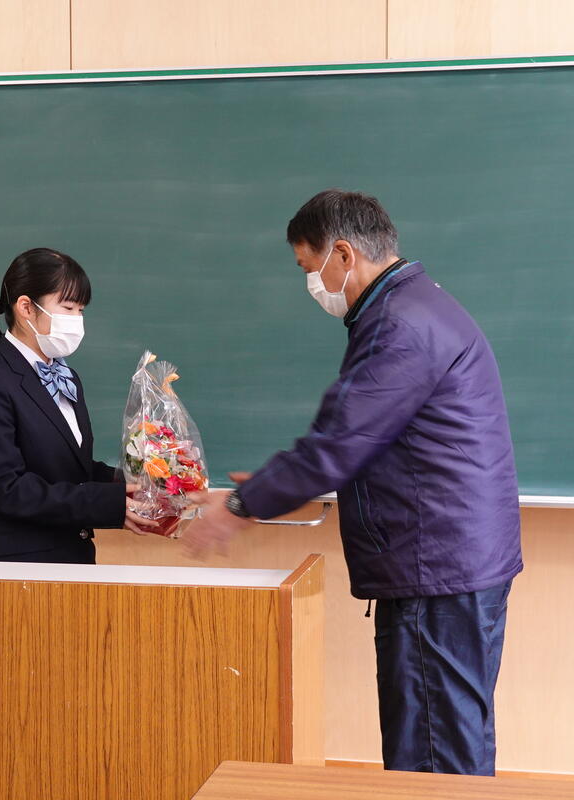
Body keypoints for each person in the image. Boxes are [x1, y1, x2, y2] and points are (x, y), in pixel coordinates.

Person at [185, 190, 523, 776]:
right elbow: (360, 440)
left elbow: (340, 443)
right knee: (451, 739)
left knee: (432, 755)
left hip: (434, 568)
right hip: (451, 560)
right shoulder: (415, 305)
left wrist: (240, 504)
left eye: (307, 266)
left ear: (343, 254)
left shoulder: (400, 325)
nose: (310, 282)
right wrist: (272, 484)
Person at [0, 247, 155, 564]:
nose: (77, 320)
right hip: (12, 569)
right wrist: (109, 504)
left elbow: (69, 469)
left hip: (65, 559)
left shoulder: (66, 377)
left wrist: (139, 484)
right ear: (26, 308)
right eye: (68, 307)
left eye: (81, 310)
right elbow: (6, 489)